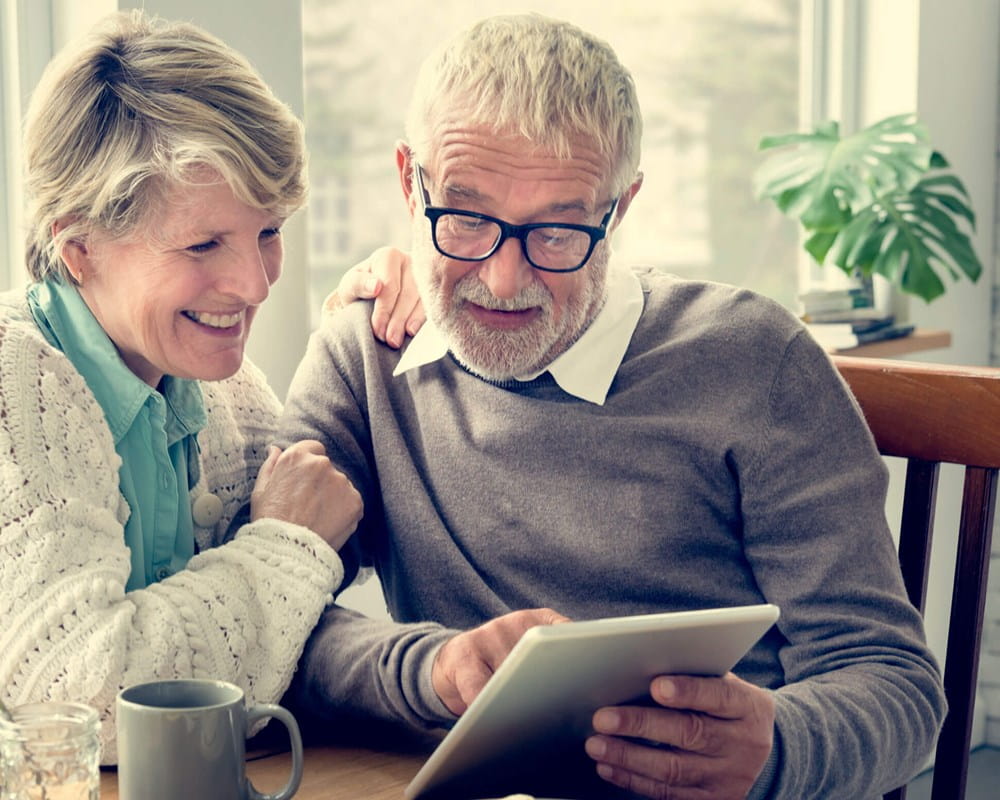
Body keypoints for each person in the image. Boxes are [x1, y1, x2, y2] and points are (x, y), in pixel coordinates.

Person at [279, 12, 946, 800]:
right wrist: (430, 669)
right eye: (464, 216)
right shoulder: (363, 356)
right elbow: (272, 628)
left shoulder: (755, 362)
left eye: (557, 232)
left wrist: (775, 753)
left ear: (619, 209)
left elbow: (894, 683)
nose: (500, 279)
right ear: (408, 179)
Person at [0, 9, 415, 762]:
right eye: (204, 243)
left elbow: (312, 586)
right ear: (79, 248)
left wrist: (367, 345)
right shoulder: (12, 388)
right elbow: (79, 696)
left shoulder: (224, 388)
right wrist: (283, 543)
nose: (254, 284)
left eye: (270, 230)